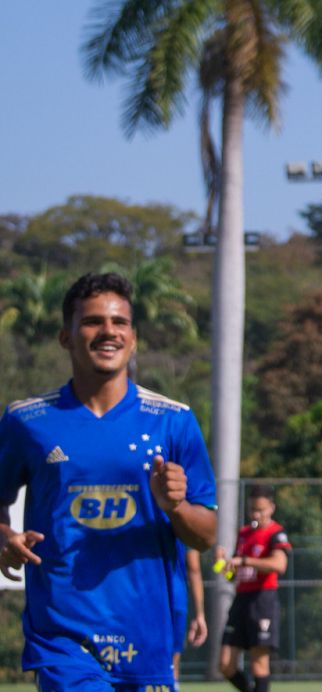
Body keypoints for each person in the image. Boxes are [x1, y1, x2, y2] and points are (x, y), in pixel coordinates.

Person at [0, 272, 217, 692]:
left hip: (147, 638)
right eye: (93, 321)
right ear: (66, 337)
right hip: (63, 638)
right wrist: (4, 536)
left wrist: (175, 506)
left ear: (133, 338)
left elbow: (206, 535)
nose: (108, 332)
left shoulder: (173, 421)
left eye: (119, 323)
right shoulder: (26, 421)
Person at [216, 488, 290, 692]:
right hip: (241, 600)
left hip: (262, 600)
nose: (256, 515)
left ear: (271, 508)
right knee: (225, 664)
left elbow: (279, 565)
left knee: (258, 663)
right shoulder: (244, 533)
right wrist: (223, 566)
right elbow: (233, 576)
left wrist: (245, 560)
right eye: (252, 510)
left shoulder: (276, 533)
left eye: (261, 510)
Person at [171, 547, 206, 686]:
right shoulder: (184, 525)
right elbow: (194, 568)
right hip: (174, 596)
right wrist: (200, 614)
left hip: (139, 595)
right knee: (172, 664)